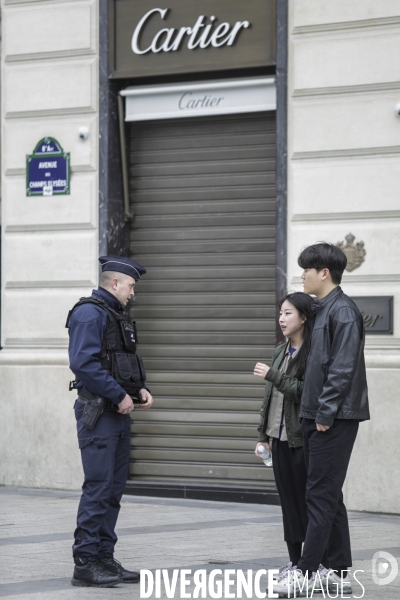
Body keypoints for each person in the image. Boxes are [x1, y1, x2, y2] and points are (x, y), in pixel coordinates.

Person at [273, 243, 370, 598]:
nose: (302, 276)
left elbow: (342, 368)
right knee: (328, 495)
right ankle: (339, 571)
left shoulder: (341, 311)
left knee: (318, 494)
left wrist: (325, 413)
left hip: (333, 417)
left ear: (323, 273)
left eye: (306, 270)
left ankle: (307, 571)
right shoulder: (323, 310)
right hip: (317, 414)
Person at [66, 255, 154, 588]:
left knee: (113, 490)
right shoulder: (89, 313)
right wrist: (119, 395)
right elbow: (84, 364)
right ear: (115, 283)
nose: (133, 292)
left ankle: (104, 557)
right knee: (98, 487)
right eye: (130, 286)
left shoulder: (113, 316)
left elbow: (119, 363)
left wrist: (139, 389)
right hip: (100, 414)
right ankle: (86, 562)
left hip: (116, 414)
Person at [254, 292, 314, 581]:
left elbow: (305, 393)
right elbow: (270, 397)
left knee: (306, 503)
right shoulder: (281, 351)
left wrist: (274, 376)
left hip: (300, 440)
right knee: (288, 505)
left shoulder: (312, 353)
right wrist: (262, 436)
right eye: (280, 313)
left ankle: (313, 565)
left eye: (288, 313)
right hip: (277, 440)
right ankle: (294, 563)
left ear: (304, 318)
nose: (281, 319)